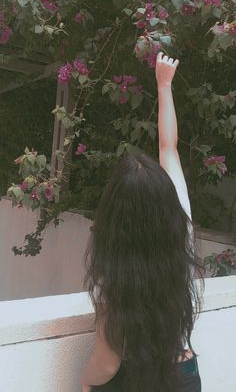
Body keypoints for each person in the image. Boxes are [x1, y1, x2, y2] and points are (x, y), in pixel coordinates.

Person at [81, 52, 203, 392]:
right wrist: (164, 84)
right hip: (184, 374)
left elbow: (107, 364)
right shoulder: (184, 230)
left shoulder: (112, 271)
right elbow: (169, 148)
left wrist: (85, 383)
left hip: (133, 380)